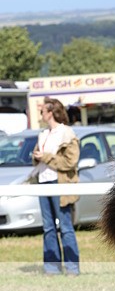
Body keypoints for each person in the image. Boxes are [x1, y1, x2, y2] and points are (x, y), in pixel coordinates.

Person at [31, 97, 80, 276]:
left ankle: (72, 268)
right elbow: (39, 158)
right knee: (48, 227)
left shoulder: (67, 133)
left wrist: (45, 157)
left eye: (43, 110)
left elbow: (70, 162)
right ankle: (52, 268)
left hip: (60, 185)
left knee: (65, 227)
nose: (41, 113)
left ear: (51, 112)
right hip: (43, 182)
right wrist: (36, 156)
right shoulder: (43, 134)